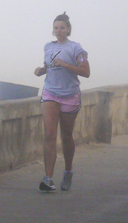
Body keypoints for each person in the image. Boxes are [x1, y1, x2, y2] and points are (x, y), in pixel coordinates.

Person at [34, 13, 90, 192]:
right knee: (49, 134)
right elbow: (49, 67)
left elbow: (86, 72)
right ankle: (48, 178)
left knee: (66, 135)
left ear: (68, 30)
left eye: (62, 28)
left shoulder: (75, 48)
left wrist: (66, 65)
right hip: (50, 93)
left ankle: (67, 171)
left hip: (70, 95)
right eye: (56, 28)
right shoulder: (48, 47)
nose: (59, 31)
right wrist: (41, 70)